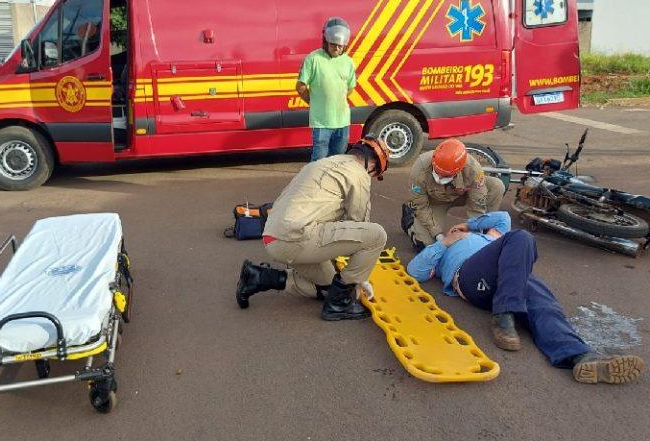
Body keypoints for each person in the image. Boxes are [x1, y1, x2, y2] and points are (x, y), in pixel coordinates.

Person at [406, 211, 645, 385]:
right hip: (471, 277)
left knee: (544, 303)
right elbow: (415, 270)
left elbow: (501, 216)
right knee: (522, 237)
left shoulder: (492, 237)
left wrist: (468, 225)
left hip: (509, 284)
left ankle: (580, 356)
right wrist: (447, 241)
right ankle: (503, 315)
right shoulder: (445, 248)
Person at [236, 136, 390, 321]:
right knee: (376, 236)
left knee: (327, 286)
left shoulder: (323, 163)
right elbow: (359, 226)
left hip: (273, 236)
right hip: (297, 238)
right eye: (374, 174)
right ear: (372, 166)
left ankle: (258, 277)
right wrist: (358, 277)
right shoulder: (359, 174)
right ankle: (339, 304)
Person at [401, 138, 505, 251]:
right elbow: (421, 206)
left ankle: (486, 229)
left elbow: (477, 207)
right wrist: (437, 234)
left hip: (462, 196)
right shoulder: (420, 168)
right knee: (425, 245)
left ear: (458, 170)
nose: (439, 178)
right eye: (437, 172)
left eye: (445, 175)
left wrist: (474, 235)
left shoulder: (473, 169)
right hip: (435, 201)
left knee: (496, 186)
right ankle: (410, 220)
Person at [296, 17, 357, 162]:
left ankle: (332, 184)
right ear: (326, 42)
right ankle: (315, 184)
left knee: (338, 160)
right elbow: (300, 87)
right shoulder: (313, 59)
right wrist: (314, 102)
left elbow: (350, 88)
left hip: (342, 121)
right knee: (319, 162)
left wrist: (337, 101)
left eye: (340, 46)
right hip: (321, 123)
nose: (336, 48)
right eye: (333, 44)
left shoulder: (348, 62)